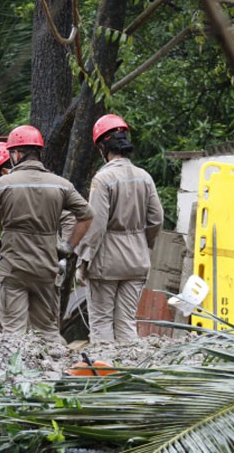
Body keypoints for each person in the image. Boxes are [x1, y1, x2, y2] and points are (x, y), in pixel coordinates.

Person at [0, 125, 94, 343]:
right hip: (46, 267)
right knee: (47, 331)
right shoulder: (61, 185)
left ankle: (18, 373)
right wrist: (68, 247)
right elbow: (86, 215)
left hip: (13, 268)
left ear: (16, 154)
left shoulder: (3, 185)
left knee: (13, 333)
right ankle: (57, 371)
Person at [75, 114, 163, 342]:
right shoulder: (145, 177)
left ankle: (104, 376)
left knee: (102, 322)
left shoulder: (103, 179)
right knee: (126, 323)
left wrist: (83, 260)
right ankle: (129, 373)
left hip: (106, 263)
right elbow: (157, 219)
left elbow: (96, 225)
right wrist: (142, 244)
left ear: (102, 147)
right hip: (137, 261)